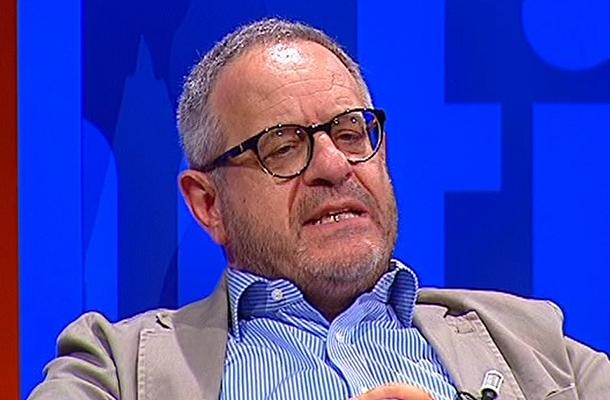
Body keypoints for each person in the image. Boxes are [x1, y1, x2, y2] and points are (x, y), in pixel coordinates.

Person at [28, 18, 610, 400]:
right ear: (208, 204)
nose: (334, 165)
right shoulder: (113, 367)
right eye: (283, 146)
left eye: (352, 133)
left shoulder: (534, 340)